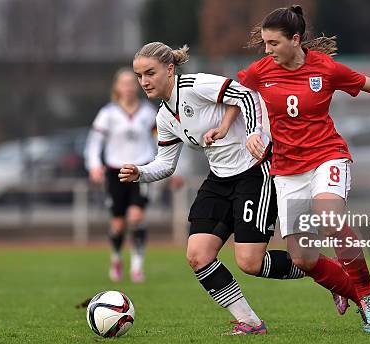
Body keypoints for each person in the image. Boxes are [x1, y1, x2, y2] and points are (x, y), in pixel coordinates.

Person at [119, 42, 337, 335]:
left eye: (150, 73)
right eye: (139, 75)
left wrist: (252, 134)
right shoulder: (164, 117)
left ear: (170, 70)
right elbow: (166, 164)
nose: (143, 81)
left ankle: (329, 273)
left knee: (250, 262)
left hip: (254, 172)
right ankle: (249, 322)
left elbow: (247, 95)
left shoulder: (196, 85)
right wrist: (140, 173)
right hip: (219, 179)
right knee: (198, 255)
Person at [236, 5, 370, 333]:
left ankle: (368, 294)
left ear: (295, 40)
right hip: (286, 169)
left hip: (327, 156)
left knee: (329, 218)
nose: (267, 51)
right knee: (303, 259)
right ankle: (354, 295)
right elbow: (237, 96)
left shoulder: (325, 69)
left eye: (273, 44)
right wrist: (250, 132)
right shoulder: (260, 71)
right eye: (265, 45)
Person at [84, 67, 157, 283]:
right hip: (115, 172)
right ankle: (116, 258)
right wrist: (94, 166)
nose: (127, 87)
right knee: (118, 224)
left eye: (131, 82)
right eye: (123, 83)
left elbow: (161, 142)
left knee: (136, 216)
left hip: (141, 170)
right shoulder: (108, 114)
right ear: (117, 87)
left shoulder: (149, 113)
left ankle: (137, 265)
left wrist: (171, 169)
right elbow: (94, 144)